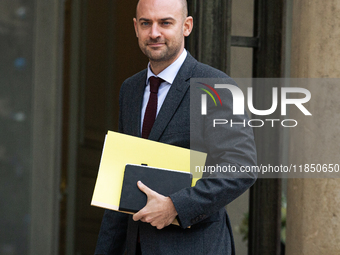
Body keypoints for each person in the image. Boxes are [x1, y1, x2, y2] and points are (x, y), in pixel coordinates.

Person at [95, 0, 257, 254]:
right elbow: (120, 177)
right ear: (136, 28)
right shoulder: (130, 90)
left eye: (165, 23)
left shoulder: (216, 86)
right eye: (146, 23)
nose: (155, 32)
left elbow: (240, 168)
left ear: (187, 26)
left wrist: (175, 206)